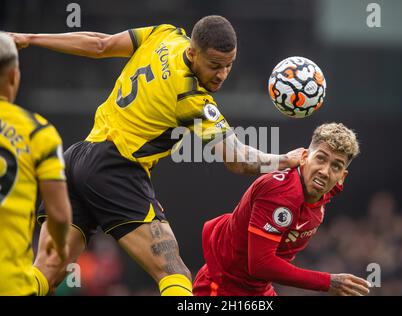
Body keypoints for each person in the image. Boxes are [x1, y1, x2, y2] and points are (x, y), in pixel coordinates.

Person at [8, 15, 302, 295]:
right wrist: (285, 160)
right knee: (173, 272)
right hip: (117, 168)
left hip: (78, 158)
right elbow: (237, 160)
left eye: (229, 65)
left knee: (47, 272)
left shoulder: (164, 35)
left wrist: (29, 38)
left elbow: (100, 45)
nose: (222, 74)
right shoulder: (192, 98)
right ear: (193, 52)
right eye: (214, 65)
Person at [193, 122, 371, 296]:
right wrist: (327, 282)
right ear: (303, 158)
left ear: (342, 177)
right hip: (224, 286)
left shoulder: (327, 188)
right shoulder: (282, 192)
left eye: (336, 166)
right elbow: (260, 264)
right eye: (320, 158)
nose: (325, 171)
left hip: (258, 289)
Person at [0, 32, 72, 296]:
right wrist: (61, 246)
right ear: (13, 76)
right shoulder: (37, 132)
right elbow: (60, 214)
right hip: (10, 283)